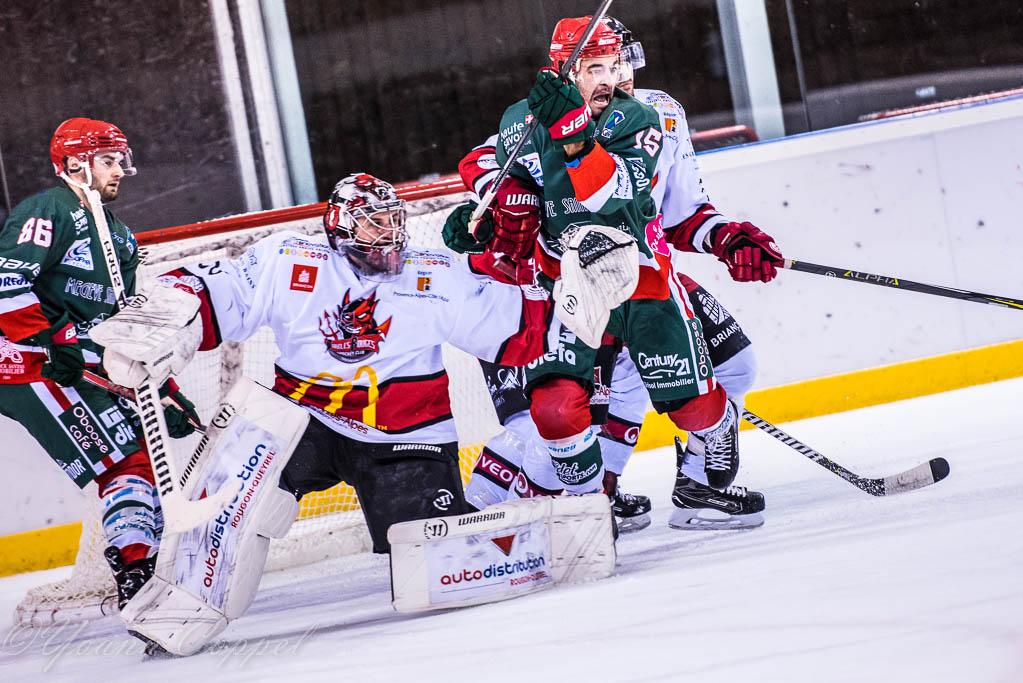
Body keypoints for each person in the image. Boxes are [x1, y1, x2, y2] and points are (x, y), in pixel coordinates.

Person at [446, 16, 784, 527]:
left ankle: (693, 483)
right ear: (567, 69)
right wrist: (499, 201)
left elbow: (673, 210)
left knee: (730, 366)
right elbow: (482, 161)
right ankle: (503, 510)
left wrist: (724, 238)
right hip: (552, 287)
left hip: (637, 270)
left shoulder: (657, 114)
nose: (616, 75)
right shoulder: (532, 117)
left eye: (622, 62)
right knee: (549, 418)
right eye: (598, 66)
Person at [157, 172, 551, 556]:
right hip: (305, 423)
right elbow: (217, 291)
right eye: (375, 223)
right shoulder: (289, 260)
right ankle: (179, 562)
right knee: (224, 494)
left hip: (405, 436)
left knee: (437, 558)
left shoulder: (434, 273)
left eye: (394, 221)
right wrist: (164, 318)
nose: (389, 234)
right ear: (340, 226)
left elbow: (520, 332)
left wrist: (548, 279)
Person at [0, 118, 198, 607]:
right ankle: (136, 574)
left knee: (144, 454)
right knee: (123, 461)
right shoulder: (48, 210)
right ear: (73, 163)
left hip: (71, 360)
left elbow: (119, 326)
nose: (119, 170)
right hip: (26, 363)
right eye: (107, 160)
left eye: (119, 160)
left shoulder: (119, 236)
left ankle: (145, 560)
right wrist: (53, 341)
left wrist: (162, 389)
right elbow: (6, 285)